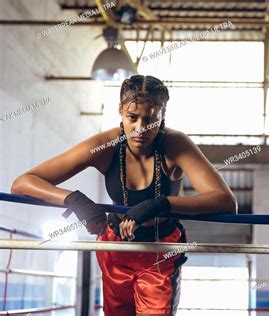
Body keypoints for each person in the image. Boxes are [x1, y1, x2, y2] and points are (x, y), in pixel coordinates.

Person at [11, 75, 237, 316]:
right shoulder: (105, 145)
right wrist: (74, 200)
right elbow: (23, 183)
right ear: (120, 111)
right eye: (132, 118)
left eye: (150, 120)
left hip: (160, 251)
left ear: (162, 118)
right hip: (115, 247)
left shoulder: (175, 144)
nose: (140, 129)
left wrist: (162, 204)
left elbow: (225, 201)